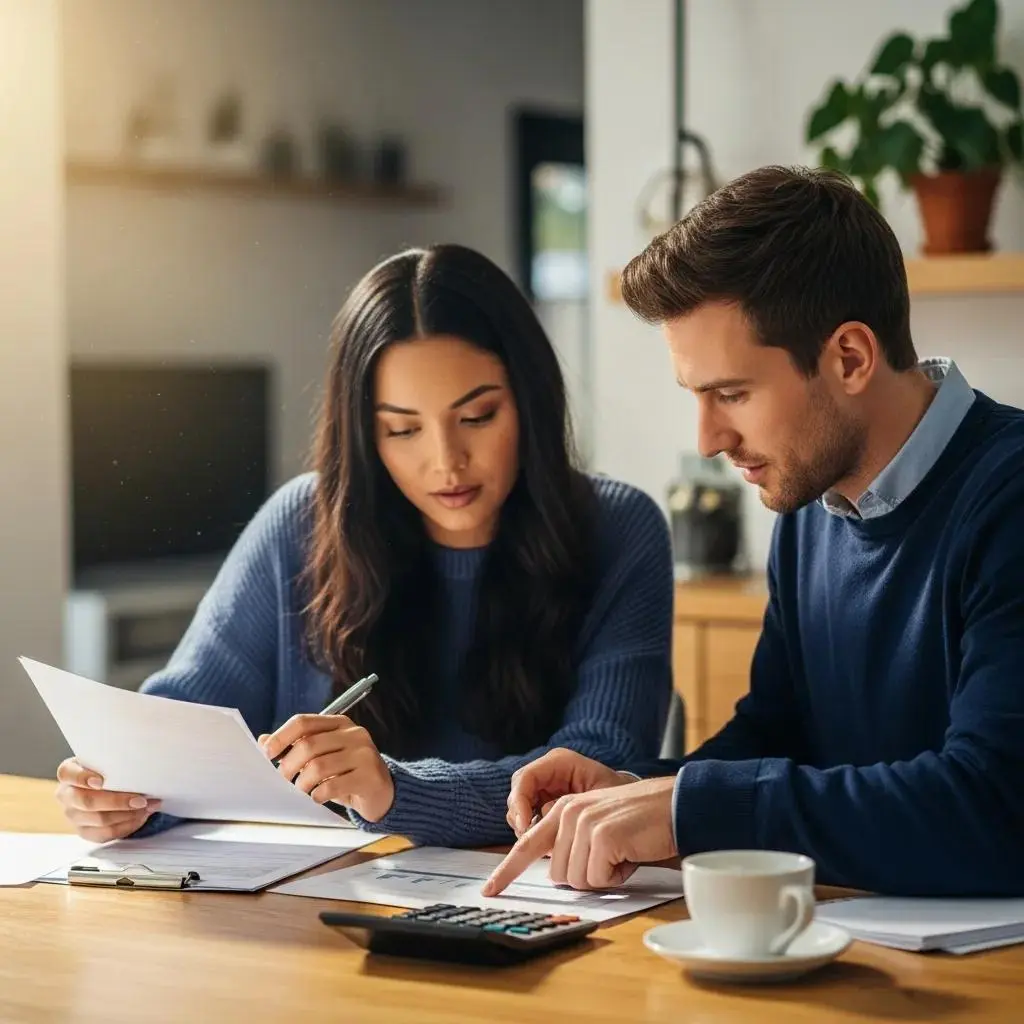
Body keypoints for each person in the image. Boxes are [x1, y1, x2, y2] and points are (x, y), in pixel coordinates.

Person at [482, 166, 1024, 900]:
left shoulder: (1008, 498)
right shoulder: (811, 505)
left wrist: (686, 811)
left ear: (850, 358)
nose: (707, 439)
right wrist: (633, 789)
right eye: (697, 397)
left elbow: (995, 809)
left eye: (732, 394)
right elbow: (778, 738)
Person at [54, 243, 673, 846]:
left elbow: (605, 768)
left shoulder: (619, 529)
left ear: (530, 402)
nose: (446, 461)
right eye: (403, 429)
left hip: (528, 904)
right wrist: (121, 793)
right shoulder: (301, 522)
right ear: (364, 434)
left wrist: (397, 793)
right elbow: (178, 724)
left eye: (478, 417)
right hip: (312, 910)